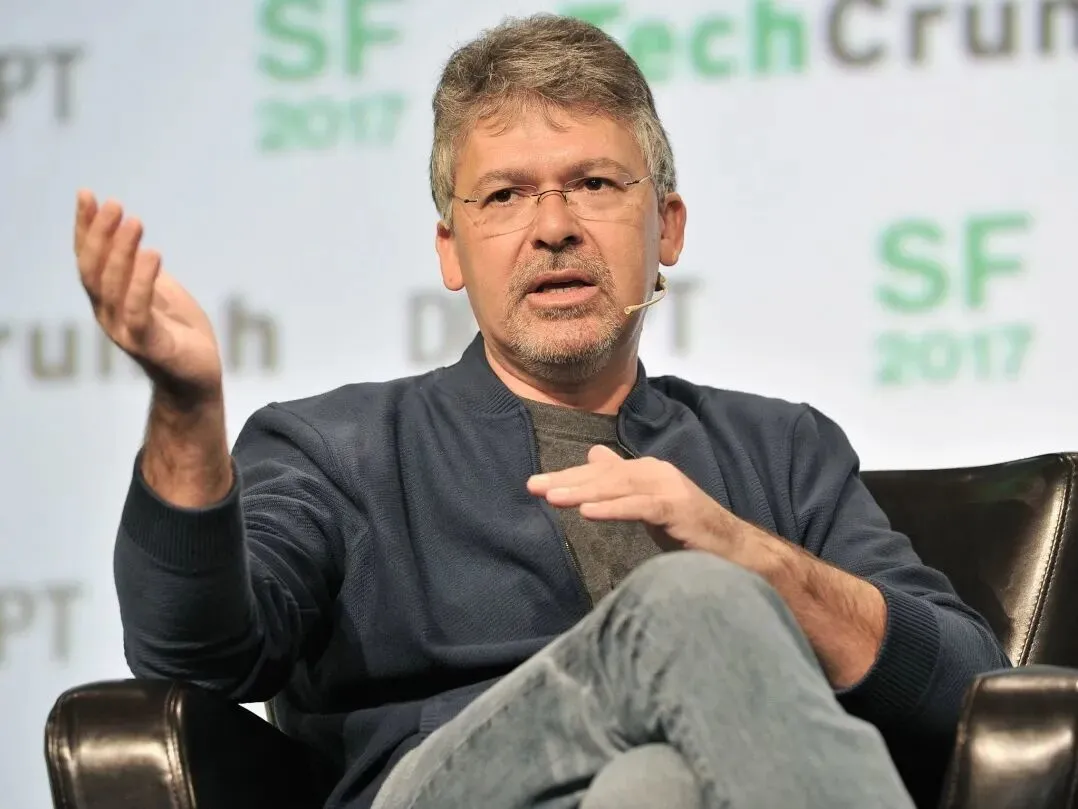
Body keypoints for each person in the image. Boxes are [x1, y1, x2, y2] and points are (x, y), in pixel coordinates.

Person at [73, 13, 1010, 809]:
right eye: (505, 195)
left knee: (654, 785)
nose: (553, 226)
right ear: (452, 250)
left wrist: (753, 556)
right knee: (684, 604)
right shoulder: (337, 448)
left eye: (594, 184)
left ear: (668, 227)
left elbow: (971, 690)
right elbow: (194, 658)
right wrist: (186, 414)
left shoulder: (781, 449)